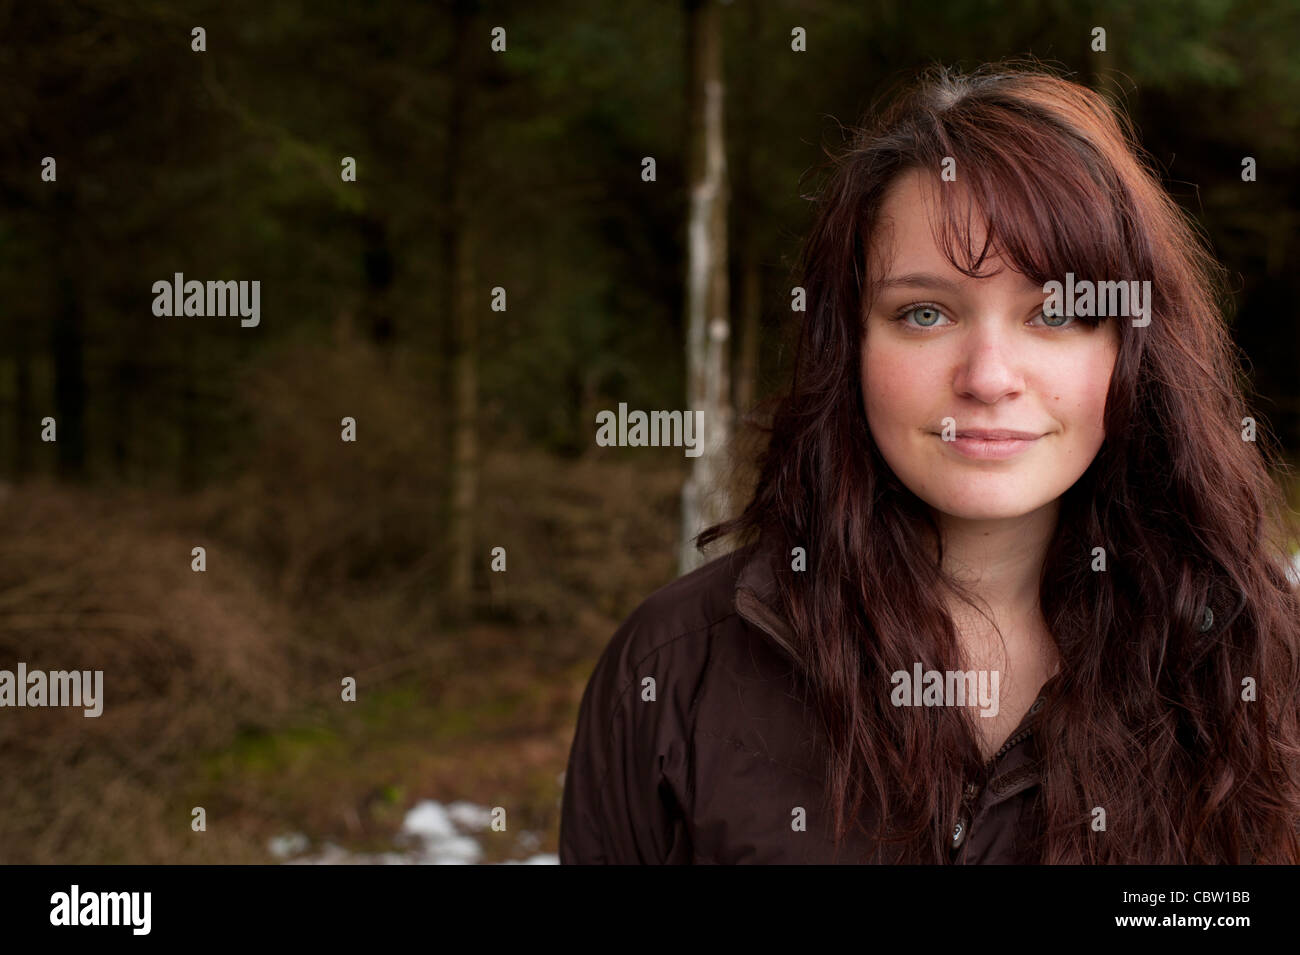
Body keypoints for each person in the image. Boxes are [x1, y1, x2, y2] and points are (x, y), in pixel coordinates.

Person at [559, 61, 1300, 864]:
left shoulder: (1262, 668)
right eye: (924, 312)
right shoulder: (673, 672)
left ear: (1133, 351)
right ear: (848, 345)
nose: (987, 376)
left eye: (1054, 313)